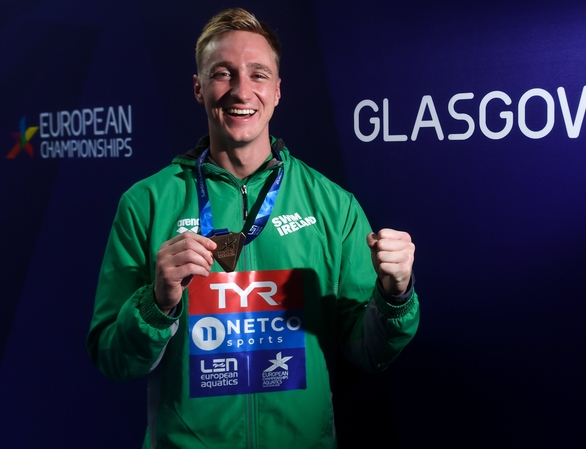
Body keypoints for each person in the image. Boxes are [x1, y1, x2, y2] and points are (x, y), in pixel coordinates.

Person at [87, 7, 419, 448]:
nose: (242, 90)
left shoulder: (332, 205)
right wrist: (157, 302)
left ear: (278, 91)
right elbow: (114, 359)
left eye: (258, 74)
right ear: (198, 87)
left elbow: (369, 351)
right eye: (223, 74)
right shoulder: (147, 203)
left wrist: (396, 295)